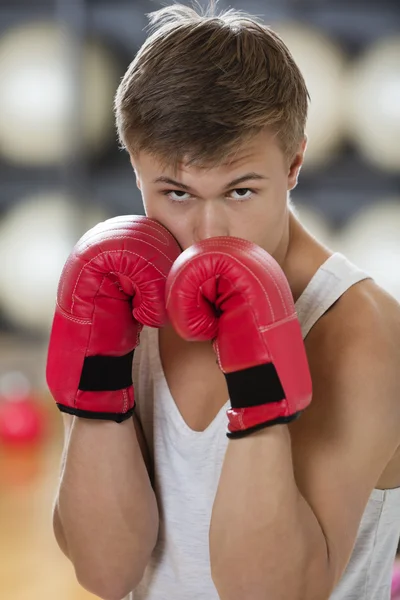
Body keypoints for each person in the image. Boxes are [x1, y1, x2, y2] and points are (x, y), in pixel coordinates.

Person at [48, 3, 400, 600]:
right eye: (176, 193)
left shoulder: (360, 331)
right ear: (136, 170)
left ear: (293, 164)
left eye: (240, 190)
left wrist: (259, 382)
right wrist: (102, 375)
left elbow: (277, 593)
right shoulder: (125, 289)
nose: (208, 231)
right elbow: (105, 572)